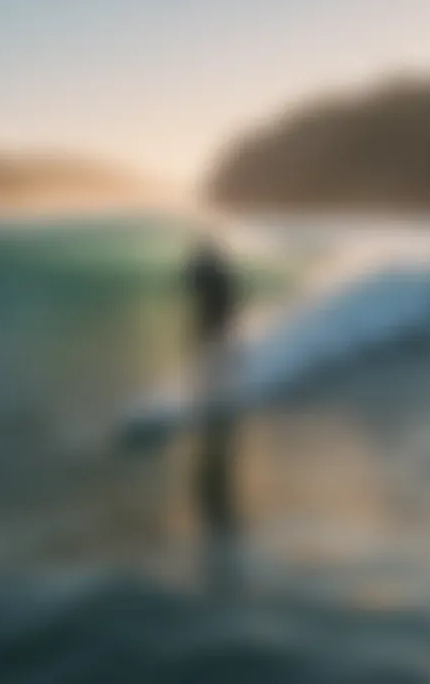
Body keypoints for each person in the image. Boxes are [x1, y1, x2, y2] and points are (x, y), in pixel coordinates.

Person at [183, 234, 242, 594]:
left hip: (211, 326)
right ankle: (212, 401)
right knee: (209, 368)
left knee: (211, 366)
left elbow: (224, 301)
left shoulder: (214, 271)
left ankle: (213, 401)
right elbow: (193, 288)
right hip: (210, 326)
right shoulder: (212, 270)